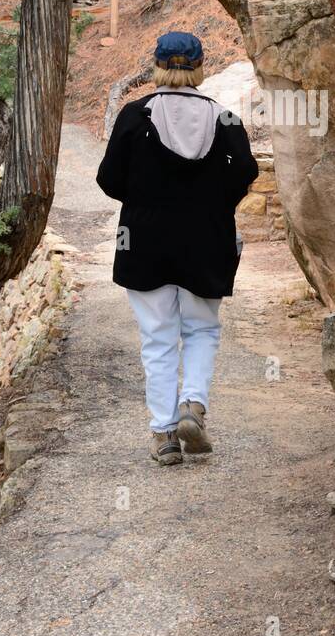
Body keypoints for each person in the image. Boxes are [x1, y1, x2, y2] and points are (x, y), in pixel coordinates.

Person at [96, 31, 258, 465]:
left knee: (158, 338)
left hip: (144, 241)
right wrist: (212, 204)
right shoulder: (224, 119)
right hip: (207, 239)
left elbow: (108, 180)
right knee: (201, 330)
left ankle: (165, 435)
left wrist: (147, 195)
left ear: (158, 66)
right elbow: (245, 172)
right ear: (199, 66)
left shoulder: (134, 115)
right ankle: (194, 407)